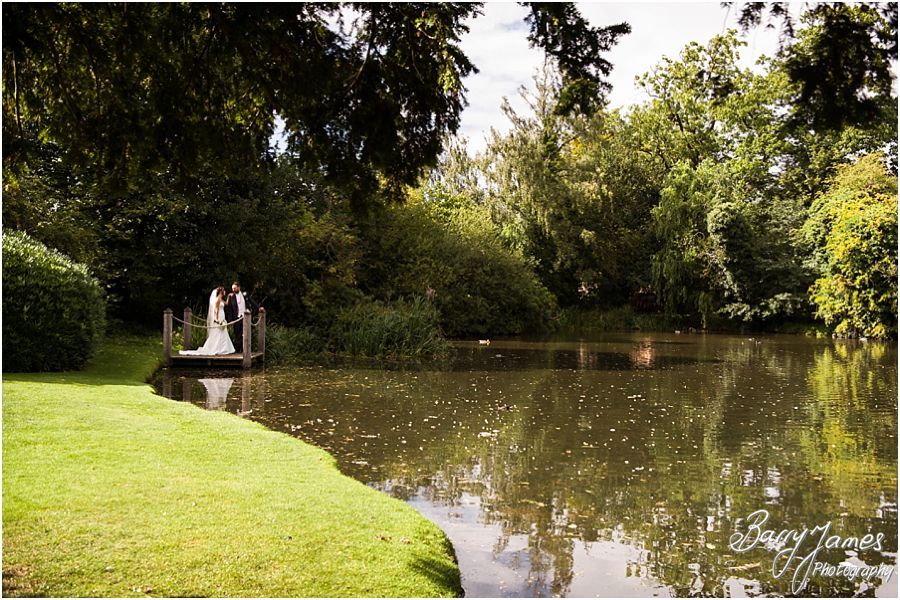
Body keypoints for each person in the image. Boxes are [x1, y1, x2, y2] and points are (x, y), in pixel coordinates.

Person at [179, 287, 235, 356]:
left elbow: (226, 303)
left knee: (223, 331)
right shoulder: (217, 299)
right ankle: (217, 348)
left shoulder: (220, 299)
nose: (225, 292)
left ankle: (224, 348)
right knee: (218, 332)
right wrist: (217, 319)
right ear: (220, 292)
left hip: (222, 316)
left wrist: (229, 296)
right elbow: (216, 310)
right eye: (223, 291)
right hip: (219, 317)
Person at [225, 281, 259, 353]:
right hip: (237, 318)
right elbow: (230, 309)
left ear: (239, 287)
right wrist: (230, 320)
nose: (233, 290)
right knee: (237, 334)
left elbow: (251, 301)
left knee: (246, 333)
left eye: (234, 288)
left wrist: (259, 308)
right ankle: (237, 350)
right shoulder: (231, 297)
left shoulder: (245, 295)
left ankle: (245, 350)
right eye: (232, 288)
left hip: (245, 318)